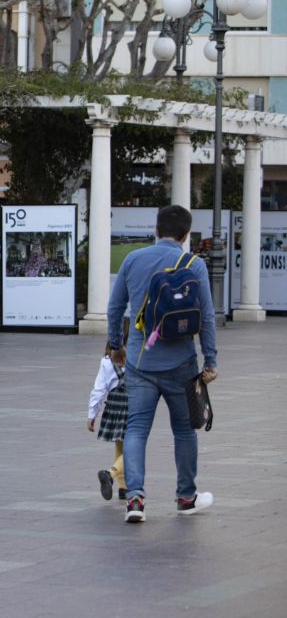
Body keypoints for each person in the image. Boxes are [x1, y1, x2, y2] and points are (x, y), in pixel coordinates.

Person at [107, 205, 217, 524]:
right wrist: (210, 361)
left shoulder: (133, 260)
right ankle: (185, 498)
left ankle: (135, 500)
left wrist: (117, 346)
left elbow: (115, 309)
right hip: (182, 362)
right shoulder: (194, 265)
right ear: (185, 236)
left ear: (156, 230)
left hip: (141, 361)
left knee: (136, 429)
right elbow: (207, 318)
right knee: (184, 431)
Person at [88, 318, 129, 502]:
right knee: (133, 446)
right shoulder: (134, 358)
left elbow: (98, 389)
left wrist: (92, 414)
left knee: (120, 444)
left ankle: (124, 487)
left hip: (113, 404)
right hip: (131, 404)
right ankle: (110, 474)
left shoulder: (106, 361)